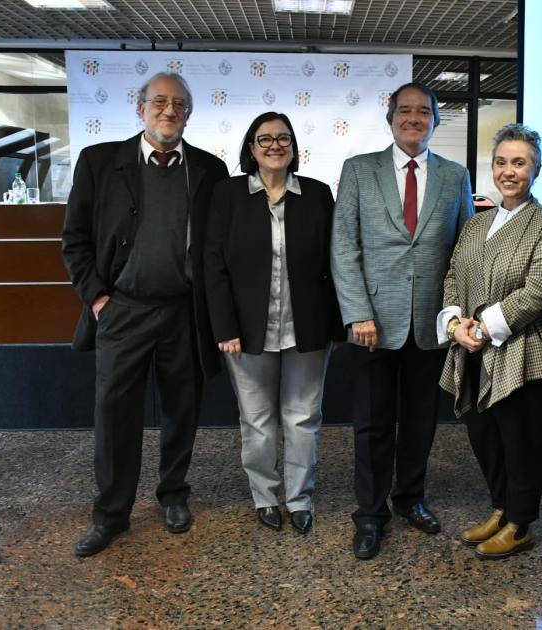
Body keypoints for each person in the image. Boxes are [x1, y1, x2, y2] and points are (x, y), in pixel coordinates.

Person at [62, 72, 229, 557]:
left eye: (179, 104)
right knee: (115, 415)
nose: (169, 111)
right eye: (159, 101)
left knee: (182, 410)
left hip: (184, 313)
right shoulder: (99, 163)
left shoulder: (208, 170)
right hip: (123, 312)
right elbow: (74, 240)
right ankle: (111, 515)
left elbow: (217, 247)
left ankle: (173, 496)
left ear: (189, 114)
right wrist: (97, 299)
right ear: (140, 109)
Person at [331, 81, 474, 559]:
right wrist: (357, 314)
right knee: (371, 424)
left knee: (419, 421)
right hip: (373, 324)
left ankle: (410, 498)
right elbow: (343, 248)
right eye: (405, 111)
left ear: (435, 119)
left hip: (432, 325)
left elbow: (463, 253)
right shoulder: (359, 171)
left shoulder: (455, 177)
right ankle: (370, 515)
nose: (413, 118)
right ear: (390, 117)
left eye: (423, 112)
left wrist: (457, 316)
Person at [204, 112, 344, 534]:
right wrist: (223, 326)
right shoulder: (226, 195)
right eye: (264, 139)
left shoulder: (317, 195)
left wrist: (336, 325)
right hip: (246, 330)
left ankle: (300, 498)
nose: (274, 145)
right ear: (250, 148)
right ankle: (265, 496)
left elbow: (336, 263)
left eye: (283, 138)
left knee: (303, 417)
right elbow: (213, 265)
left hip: (308, 327)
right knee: (257, 419)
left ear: (294, 146)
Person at [438, 123, 542, 559]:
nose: (508, 171)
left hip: (524, 356)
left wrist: (483, 326)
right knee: (484, 436)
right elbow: (454, 275)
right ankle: (500, 508)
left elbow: (537, 290)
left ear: (536, 169)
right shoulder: (477, 224)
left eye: (519, 163)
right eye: (501, 162)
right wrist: (455, 323)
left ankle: (521, 523)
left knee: (522, 443)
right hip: (473, 350)